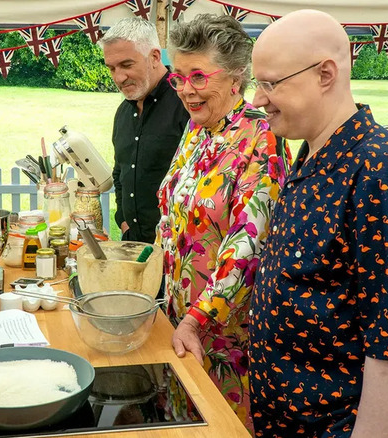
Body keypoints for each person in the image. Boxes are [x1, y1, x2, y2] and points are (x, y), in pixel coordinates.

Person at [248, 10, 388, 437]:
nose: (257, 99)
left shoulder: (382, 170)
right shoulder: (314, 152)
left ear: (325, 74)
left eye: (270, 84)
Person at [154, 14, 290, 430]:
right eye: (178, 77)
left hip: (227, 339)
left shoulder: (261, 138)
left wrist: (197, 318)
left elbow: (248, 247)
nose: (186, 90)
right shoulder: (198, 129)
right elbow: (173, 217)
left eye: (198, 76)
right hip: (181, 325)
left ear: (236, 77)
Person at [101, 17, 189, 243]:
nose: (118, 77)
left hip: (177, 249)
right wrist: (122, 220)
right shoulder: (122, 113)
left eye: (127, 65)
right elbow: (120, 172)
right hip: (133, 243)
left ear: (154, 57)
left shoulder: (187, 104)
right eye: (111, 68)